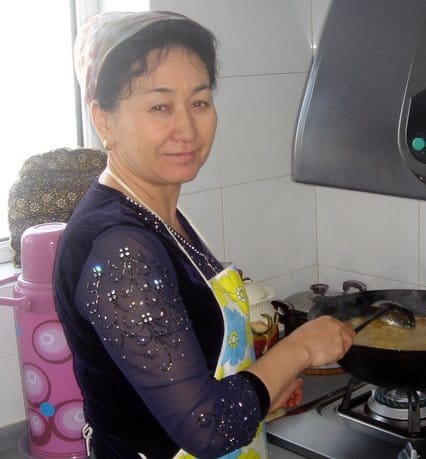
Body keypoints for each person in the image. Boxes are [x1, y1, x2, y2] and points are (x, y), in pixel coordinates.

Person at [54, 11, 355, 459]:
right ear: (104, 120)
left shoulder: (156, 209)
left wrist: (260, 396)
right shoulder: (119, 245)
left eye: (199, 102)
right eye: (159, 106)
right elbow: (208, 428)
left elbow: (174, 383)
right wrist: (300, 348)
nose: (188, 129)